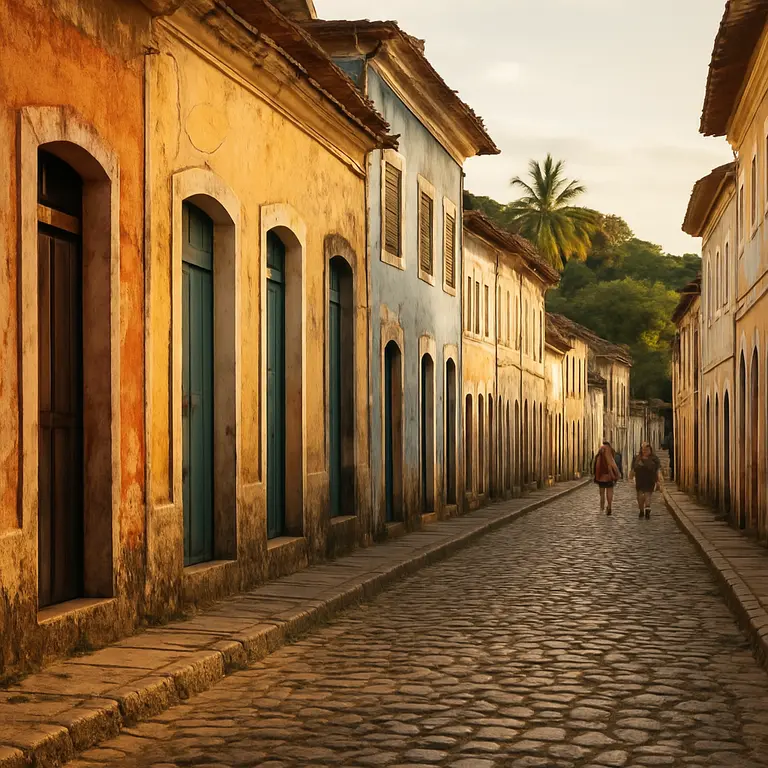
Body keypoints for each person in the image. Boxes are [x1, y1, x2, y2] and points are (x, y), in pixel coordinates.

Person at [629, 442, 664, 519]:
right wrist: (631, 477)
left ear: (650, 450)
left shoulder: (654, 459)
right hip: (639, 480)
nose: (645, 451)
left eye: (647, 450)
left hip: (650, 479)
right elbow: (633, 468)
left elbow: (657, 469)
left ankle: (647, 509)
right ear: (641, 450)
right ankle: (642, 510)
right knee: (640, 496)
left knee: (647, 494)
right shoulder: (637, 458)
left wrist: (658, 480)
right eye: (643, 450)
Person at [593, 441, 620, 515]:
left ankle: (602, 507)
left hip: (600, 476)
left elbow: (595, 466)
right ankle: (609, 506)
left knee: (602, 493)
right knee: (610, 491)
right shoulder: (610, 454)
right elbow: (613, 464)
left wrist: (595, 475)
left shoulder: (599, 455)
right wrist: (617, 474)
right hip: (609, 476)